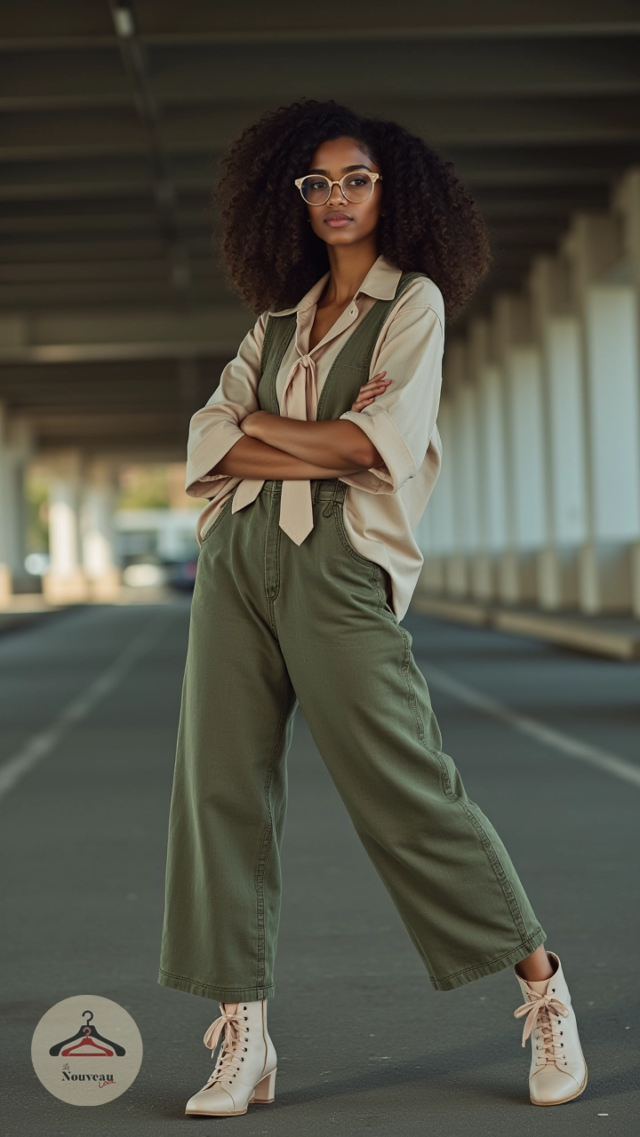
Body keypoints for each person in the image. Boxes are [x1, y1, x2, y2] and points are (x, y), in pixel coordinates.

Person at [157, 100, 587, 1117]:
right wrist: (297, 434)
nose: (337, 198)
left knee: (405, 784)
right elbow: (205, 441)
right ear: (294, 201)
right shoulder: (275, 322)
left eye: (356, 179)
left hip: (338, 563)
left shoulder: (413, 305)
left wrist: (263, 428)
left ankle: (543, 987)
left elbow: (370, 446)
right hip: (237, 559)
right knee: (217, 789)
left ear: (393, 190)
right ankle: (245, 1033)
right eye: (317, 184)